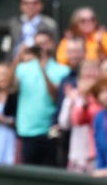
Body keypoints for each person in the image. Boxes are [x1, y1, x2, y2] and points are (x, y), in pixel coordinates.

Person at [14, 30, 70, 165]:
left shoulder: (63, 70)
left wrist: (42, 69)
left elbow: (56, 97)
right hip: (26, 130)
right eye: (38, 44)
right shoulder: (22, 68)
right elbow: (7, 85)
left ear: (52, 45)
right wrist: (18, 56)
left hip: (49, 130)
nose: (42, 48)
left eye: (45, 43)